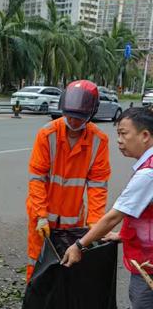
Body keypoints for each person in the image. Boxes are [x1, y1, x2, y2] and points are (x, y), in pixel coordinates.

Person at [62, 107, 153, 309]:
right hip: (144, 253)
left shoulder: (147, 175)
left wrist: (80, 244)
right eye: (117, 135)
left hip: (148, 263)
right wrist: (123, 236)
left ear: (146, 135)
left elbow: (114, 214)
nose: (119, 141)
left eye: (124, 134)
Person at [26, 80, 111, 283]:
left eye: (79, 117)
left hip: (73, 218)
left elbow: (98, 185)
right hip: (42, 217)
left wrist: (95, 222)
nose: (73, 121)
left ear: (91, 114)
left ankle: (60, 308)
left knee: (68, 263)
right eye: (69, 116)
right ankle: (34, 303)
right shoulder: (48, 134)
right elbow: (37, 178)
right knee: (37, 261)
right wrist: (40, 216)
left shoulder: (98, 140)